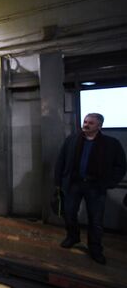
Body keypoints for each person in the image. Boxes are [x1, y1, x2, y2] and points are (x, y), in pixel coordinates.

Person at [54, 113, 126, 264]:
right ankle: (73, 237)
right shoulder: (72, 140)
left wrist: (108, 183)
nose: (86, 125)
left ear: (99, 126)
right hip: (74, 184)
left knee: (95, 220)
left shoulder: (111, 144)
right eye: (85, 121)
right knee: (69, 213)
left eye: (90, 123)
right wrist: (58, 182)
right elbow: (61, 161)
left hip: (96, 186)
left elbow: (120, 166)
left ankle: (95, 248)